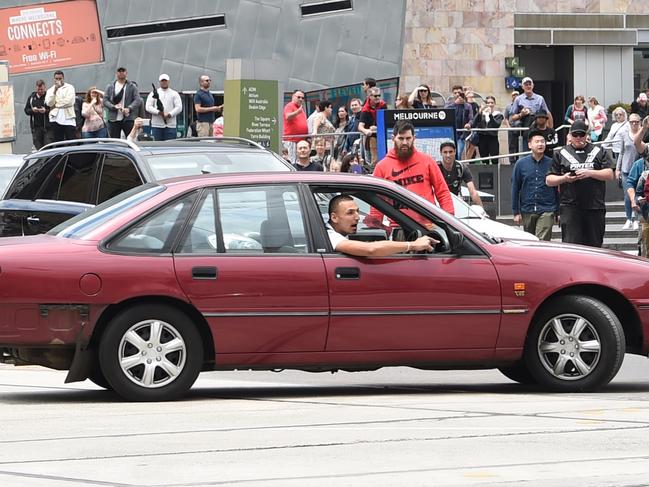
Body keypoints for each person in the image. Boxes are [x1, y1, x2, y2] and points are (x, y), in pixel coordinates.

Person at [546, 120, 614, 247]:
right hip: (570, 207)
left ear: (586, 135)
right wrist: (565, 178)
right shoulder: (560, 153)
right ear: (570, 135)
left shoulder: (599, 150)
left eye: (581, 135)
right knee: (572, 247)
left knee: (595, 246)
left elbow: (610, 174)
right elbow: (549, 180)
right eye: (575, 135)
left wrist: (590, 173)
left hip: (595, 207)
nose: (578, 138)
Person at [372, 120, 454, 216]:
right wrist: (375, 225)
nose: (405, 142)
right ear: (393, 138)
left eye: (408, 138)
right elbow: (376, 204)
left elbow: (442, 192)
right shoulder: (382, 167)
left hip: (428, 225)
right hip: (398, 226)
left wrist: (450, 218)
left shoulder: (427, 161)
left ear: (414, 138)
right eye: (401, 138)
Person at [327, 194, 435, 256]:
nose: (357, 217)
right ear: (334, 217)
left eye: (357, 211)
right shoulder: (330, 236)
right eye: (350, 213)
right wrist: (412, 245)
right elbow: (370, 249)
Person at [511, 130, 559, 240]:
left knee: (541, 241)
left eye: (543, 141)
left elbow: (557, 188)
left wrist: (558, 210)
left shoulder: (552, 163)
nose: (540, 144)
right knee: (530, 242)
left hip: (547, 208)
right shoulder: (520, 164)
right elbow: (515, 188)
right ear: (529, 145)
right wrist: (515, 212)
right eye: (537, 141)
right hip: (527, 209)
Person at [616, 113, 643, 230]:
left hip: (638, 169)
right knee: (627, 196)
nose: (634, 124)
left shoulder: (642, 134)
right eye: (632, 122)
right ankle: (629, 218)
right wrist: (617, 168)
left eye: (636, 122)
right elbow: (621, 152)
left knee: (638, 195)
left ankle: (637, 218)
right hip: (626, 169)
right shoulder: (624, 134)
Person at [437, 140, 482, 206]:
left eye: (450, 152)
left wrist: (482, 211)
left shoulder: (462, 167)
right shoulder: (435, 167)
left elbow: (473, 192)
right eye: (445, 152)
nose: (448, 155)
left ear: (455, 152)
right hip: (439, 202)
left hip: (456, 201)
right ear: (441, 153)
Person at [511, 77, 552, 146]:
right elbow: (512, 118)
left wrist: (550, 129)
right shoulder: (518, 99)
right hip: (526, 131)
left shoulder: (540, 98)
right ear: (522, 86)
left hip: (539, 129)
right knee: (525, 152)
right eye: (526, 84)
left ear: (533, 86)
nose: (528, 86)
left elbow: (547, 113)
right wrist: (521, 114)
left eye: (530, 84)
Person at [104, 67, 141, 139]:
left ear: (126, 73)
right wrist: (113, 107)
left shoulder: (132, 86)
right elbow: (105, 100)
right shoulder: (110, 86)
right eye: (119, 71)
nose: (121, 72)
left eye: (123, 71)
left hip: (128, 118)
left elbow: (137, 100)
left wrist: (129, 108)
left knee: (131, 139)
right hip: (113, 118)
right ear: (116, 73)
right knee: (114, 141)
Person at [146, 74, 182, 141]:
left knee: (170, 146)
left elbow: (179, 107)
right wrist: (159, 112)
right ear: (159, 82)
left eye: (165, 80)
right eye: (162, 81)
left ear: (168, 81)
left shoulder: (174, 93)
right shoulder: (153, 93)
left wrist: (169, 114)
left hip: (171, 125)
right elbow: (148, 107)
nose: (164, 82)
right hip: (156, 125)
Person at [45, 70, 77, 142]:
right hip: (55, 119)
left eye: (60, 78)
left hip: (68, 119)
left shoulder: (70, 87)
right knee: (58, 142)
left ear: (63, 78)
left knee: (71, 141)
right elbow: (49, 103)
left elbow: (70, 101)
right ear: (54, 79)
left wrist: (56, 104)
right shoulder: (50, 90)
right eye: (56, 79)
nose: (58, 80)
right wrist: (55, 91)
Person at [470, 95, 503, 164]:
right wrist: (479, 112)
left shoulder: (498, 114)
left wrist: (490, 115)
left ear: (494, 104)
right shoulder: (482, 113)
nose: (490, 105)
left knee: (494, 159)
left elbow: (496, 125)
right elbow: (474, 123)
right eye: (488, 103)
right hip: (482, 137)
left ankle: (496, 173)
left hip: (493, 137)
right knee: (484, 159)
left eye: (492, 103)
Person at [358, 87, 387, 166]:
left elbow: (387, 120)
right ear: (369, 97)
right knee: (374, 159)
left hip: (382, 135)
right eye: (375, 96)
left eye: (379, 95)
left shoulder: (383, 105)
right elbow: (360, 126)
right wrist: (366, 131)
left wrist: (379, 127)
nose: (377, 98)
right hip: (371, 137)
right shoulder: (365, 109)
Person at [282, 90, 308, 163]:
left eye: (302, 98)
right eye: (298, 97)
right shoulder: (290, 106)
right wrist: (297, 112)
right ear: (293, 97)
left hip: (300, 141)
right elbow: (287, 116)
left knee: (299, 161)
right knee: (292, 161)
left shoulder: (300, 108)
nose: (301, 99)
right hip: (292, 140)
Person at [24, 79, 50, 150]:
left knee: (47, 147)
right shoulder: (32, 97)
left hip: (47, 128)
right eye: (39, 89)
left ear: (45, 87)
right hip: (36, 128)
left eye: (42, 89)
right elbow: (26, 110)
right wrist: (32, 110)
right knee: (38, 147)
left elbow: (54, 110)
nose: (40, 91)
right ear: (36, 88)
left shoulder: (48, 96)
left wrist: (45, 111)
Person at [503, 90, 520, 164]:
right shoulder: (508, 107)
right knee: (511, 145)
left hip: (519, 128)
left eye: (517, 95)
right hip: (511, 127)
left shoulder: (521, 106)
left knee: (519, 145)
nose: (515, 97)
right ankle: (511, 161)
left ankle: (518, 160)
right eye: (514, 95)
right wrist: (508, 126)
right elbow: (505, 118)